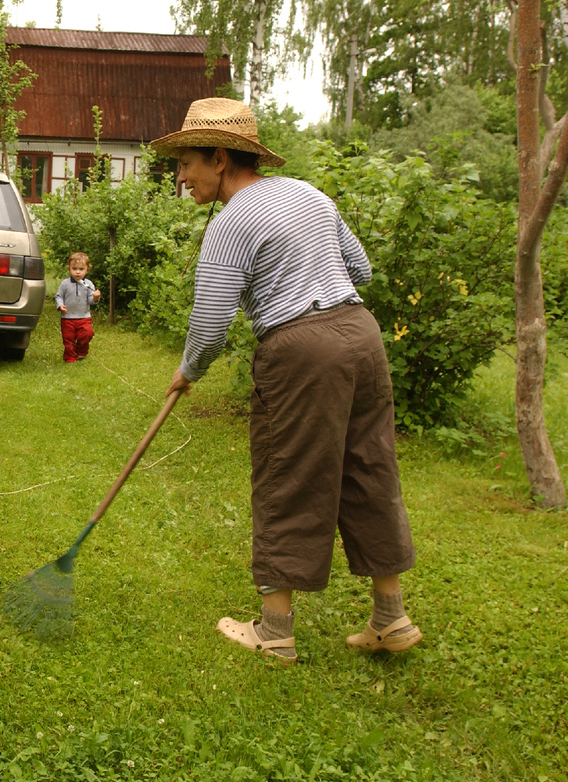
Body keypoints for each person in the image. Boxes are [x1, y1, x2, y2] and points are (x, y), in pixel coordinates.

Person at [152, 98, 420, 663]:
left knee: (288, 474)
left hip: (303, 350)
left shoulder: (230, 223)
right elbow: (362, 269)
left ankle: (275, 629)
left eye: (186, 164)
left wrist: (187, 370)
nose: (180, 177)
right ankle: (390, 619)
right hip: (361, 335)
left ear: (220, 158)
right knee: (369, 466)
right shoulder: (308, 194)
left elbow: (210, 324)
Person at [54, 252, 101, 363]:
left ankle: (81, 352)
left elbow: (90, 301)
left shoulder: (89, 284)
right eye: (74, 269)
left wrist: (95, 298)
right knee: (68, 339)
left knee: (87, 334)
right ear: (69, 269)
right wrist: (60, 305)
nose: (78, 272)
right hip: (67, 318)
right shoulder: (65, 284)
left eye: (81, 269)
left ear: (87, 270)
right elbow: (58, 296)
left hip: (84, 317)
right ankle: (70, 357)